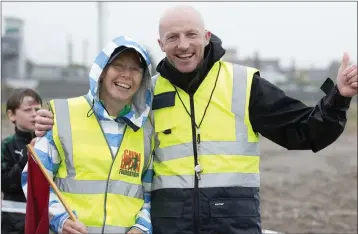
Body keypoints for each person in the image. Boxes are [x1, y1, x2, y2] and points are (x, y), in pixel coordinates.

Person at [34, 5, 358, 234]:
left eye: (191, 34)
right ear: (161, 45)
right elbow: (100, 129)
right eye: (172, 38)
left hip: (233, 224)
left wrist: (338, 96)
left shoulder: (243, 84)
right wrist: (46, 125)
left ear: (207, 36)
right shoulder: (145, 92)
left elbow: (306, 132)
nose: (183, 45)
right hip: (169, 225)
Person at [22, 36, 154, 234]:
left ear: (143, 78)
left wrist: (141, 228)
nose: (126, 74)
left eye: (135, 69)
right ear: (101, 71)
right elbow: (33, 178)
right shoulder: (62, 114)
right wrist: (60, 220)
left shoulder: (146, 129)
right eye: (118, 65)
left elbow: (152, 193)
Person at [2, 88, 42, 234]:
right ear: (11, 115)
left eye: (37, 109)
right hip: (13, 223)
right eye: (27, 110)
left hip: (43, 220)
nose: (34, 114)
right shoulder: (6, 146)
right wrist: (28, 156)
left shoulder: (48, 143)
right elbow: (5, 183)